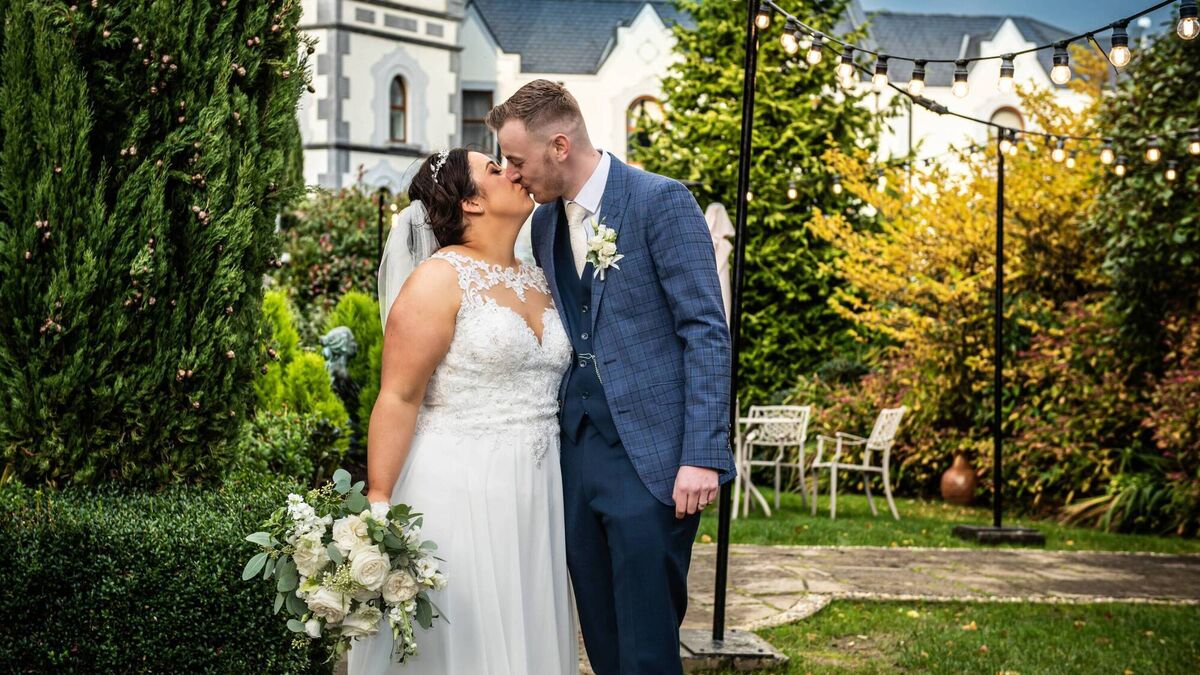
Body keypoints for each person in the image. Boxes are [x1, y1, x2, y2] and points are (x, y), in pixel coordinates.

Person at [488, 79, 735, 675]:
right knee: (600, 636)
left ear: (560, 146)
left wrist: (702, 455)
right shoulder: (544, 226)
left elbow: (706, 330)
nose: (512, 175)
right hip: (576, 457)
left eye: (517, 161)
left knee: (646, 645)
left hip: (652, 460)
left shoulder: (661, 201)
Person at [348, 148, 577, 674]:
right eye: (495, 169)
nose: (512, 172)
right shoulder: (437, 279)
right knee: (468, 641)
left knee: (526, 627)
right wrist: (379, 501)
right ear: (470, 202)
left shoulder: (541, 277)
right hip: (460, 487)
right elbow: (399, 396)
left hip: (539, 486)